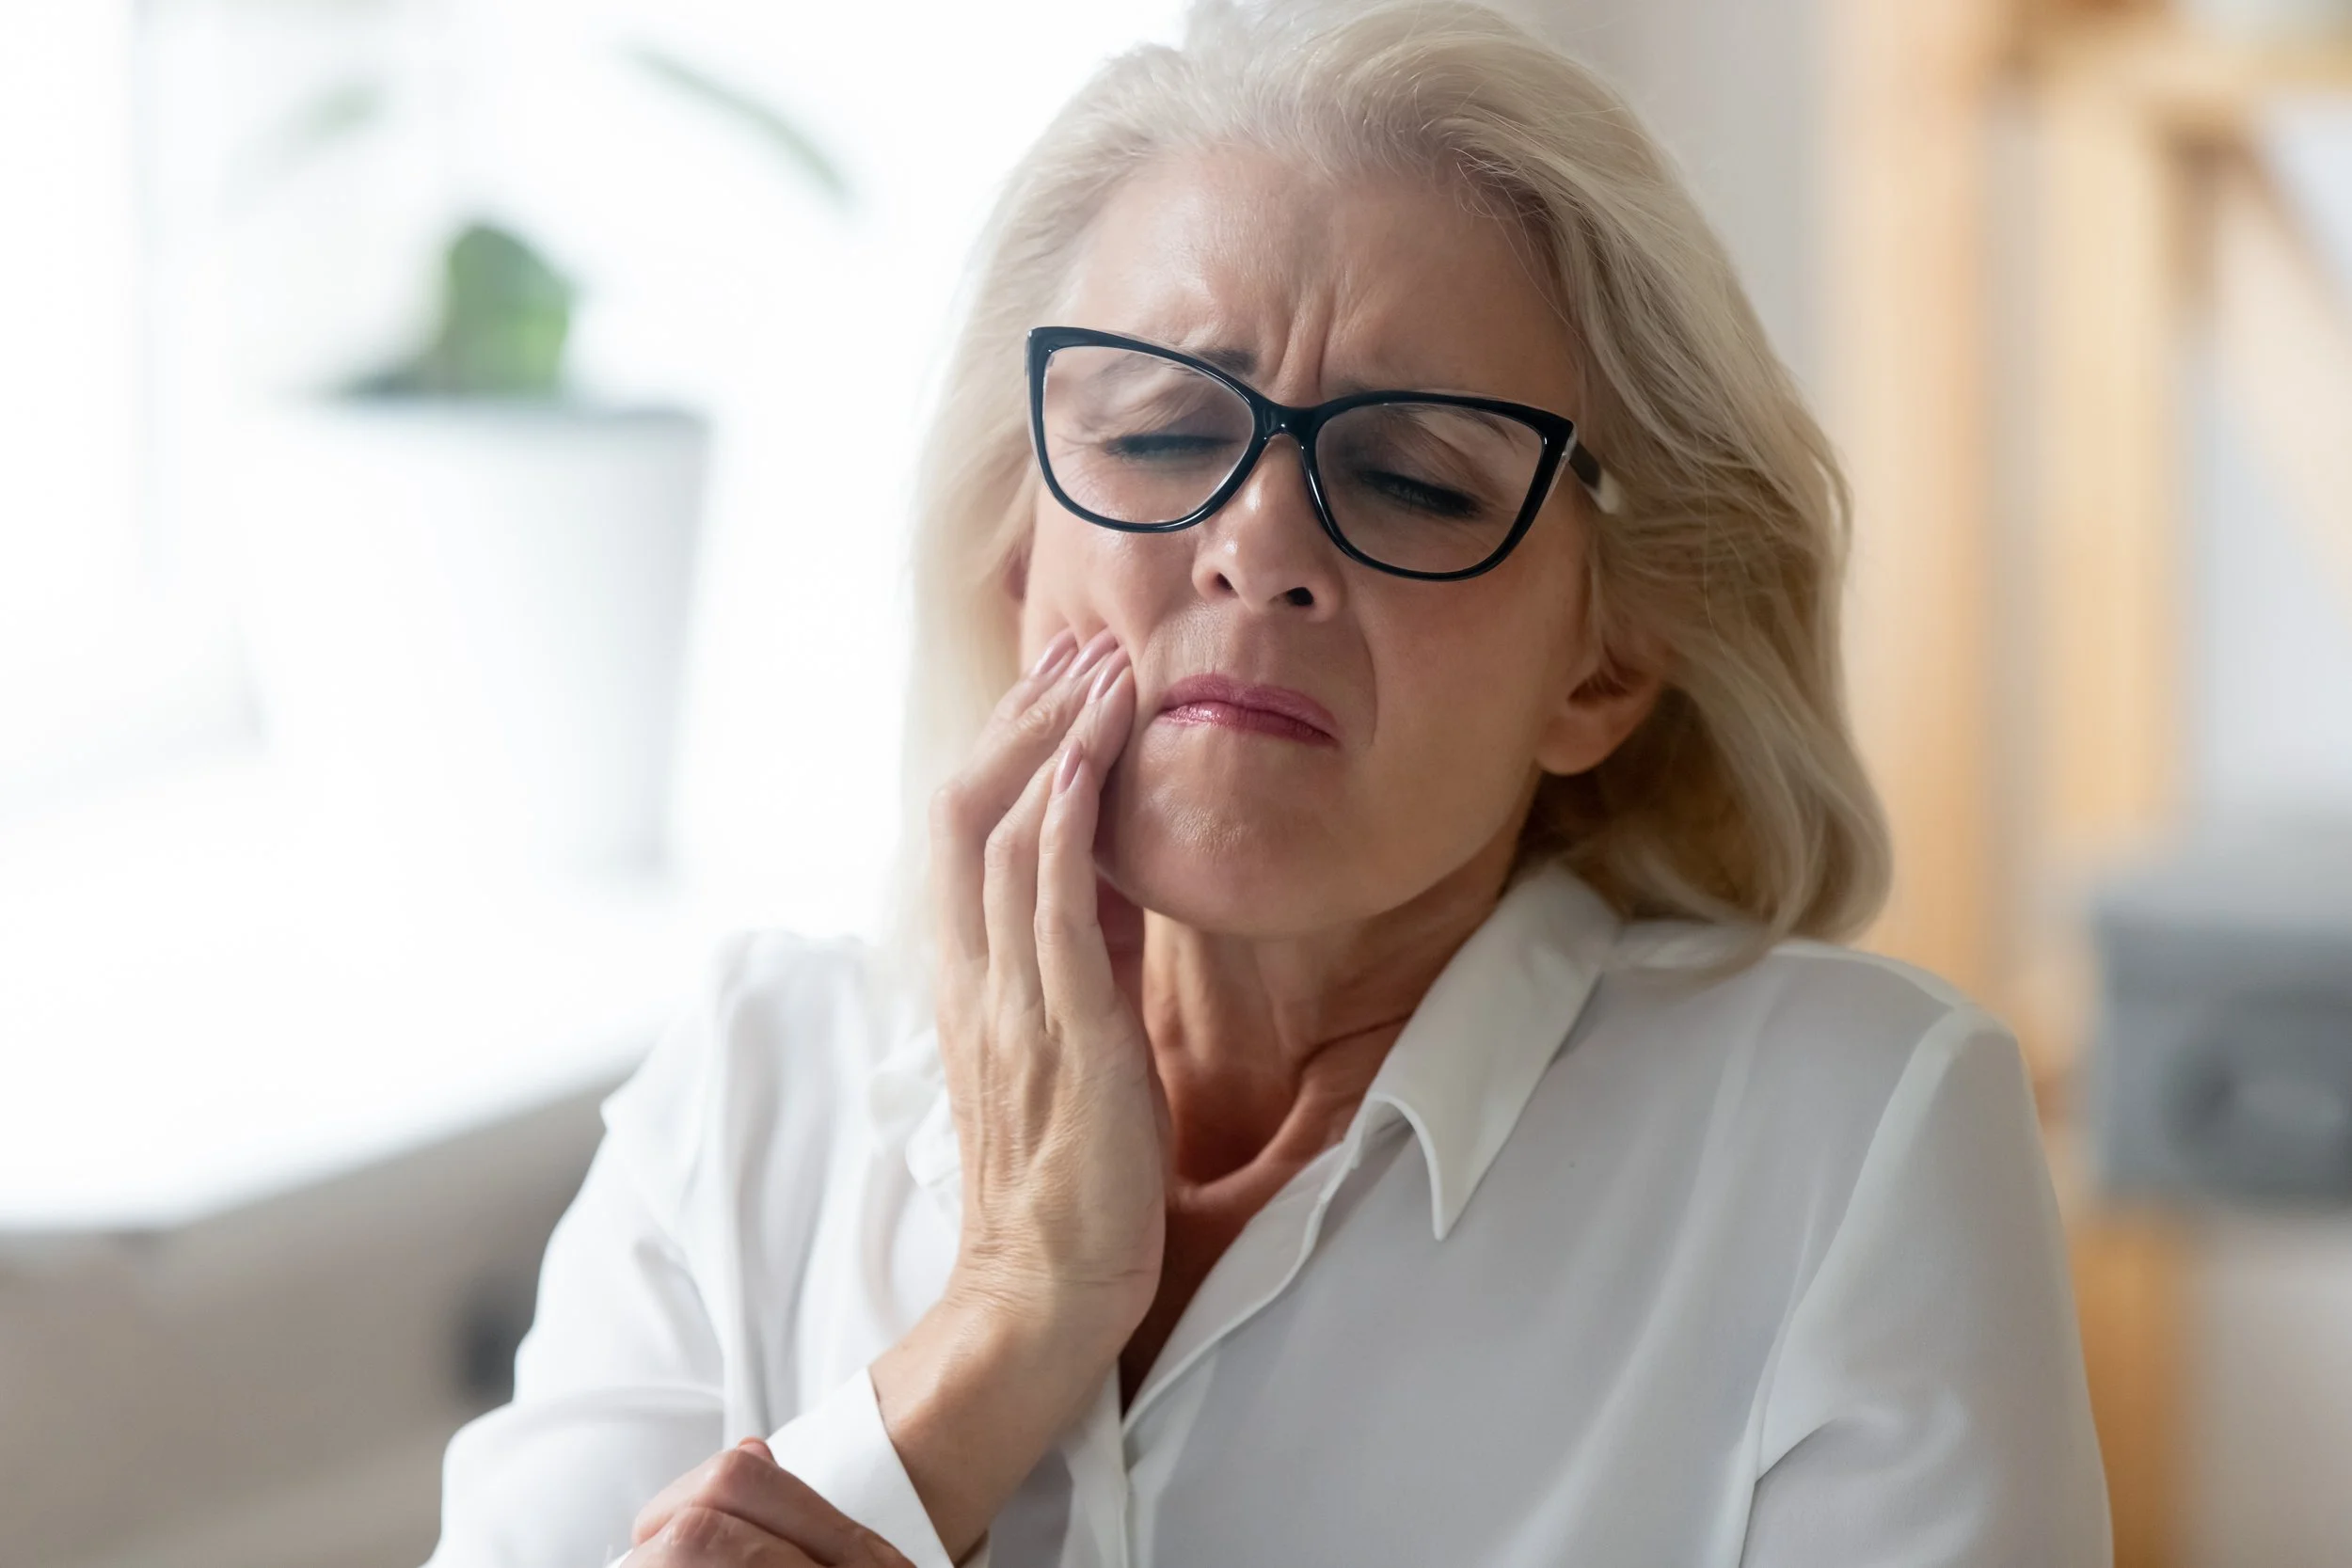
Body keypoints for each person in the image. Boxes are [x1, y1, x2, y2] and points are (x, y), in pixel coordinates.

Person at [423, 2, 2111, 1563]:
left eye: (1412, 478)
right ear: (1023, 548)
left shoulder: (1847, 1139)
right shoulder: (753, 1092)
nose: (1257, 546)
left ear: (1602, 667)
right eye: (1160, 434)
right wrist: (996, 1337)